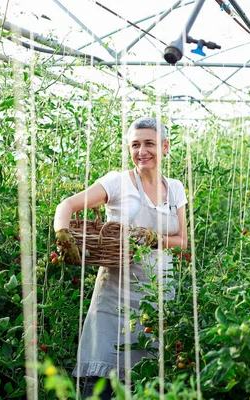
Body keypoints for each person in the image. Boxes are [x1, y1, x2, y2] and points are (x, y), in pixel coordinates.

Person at [53, 117, 188, 399]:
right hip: (115, 297)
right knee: (101, 380)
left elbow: (182, 242)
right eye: (135, 145)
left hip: (159, 295)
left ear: (165, 147)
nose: (142, 151)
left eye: (149, 143)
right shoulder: (117, 182)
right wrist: (62, 234)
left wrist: (155, 239)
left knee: (149, 380)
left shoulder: (174, 188)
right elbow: (66, 205)